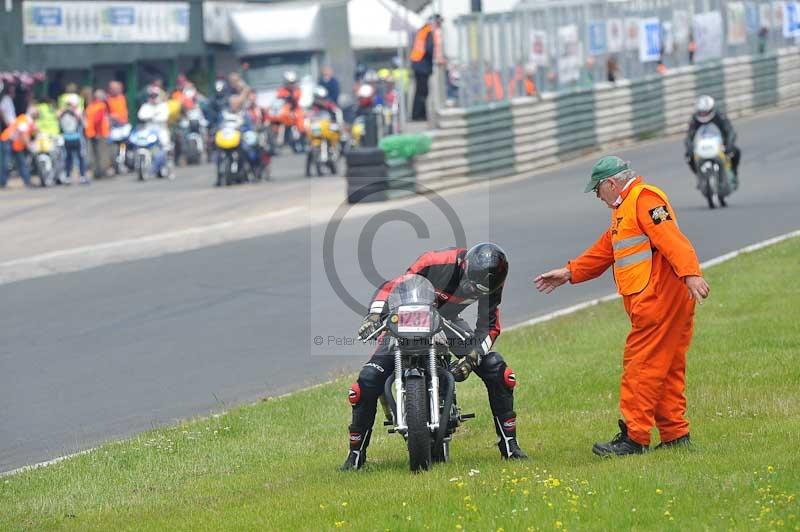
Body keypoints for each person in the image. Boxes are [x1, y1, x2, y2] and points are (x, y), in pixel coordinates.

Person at [534, 156, 710, 457]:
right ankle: (675, 435)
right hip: (658, 300)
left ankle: (634, 438)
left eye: (597, 191)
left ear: (611, 184)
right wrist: (570, 272)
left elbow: (670, 238)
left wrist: (691, 273)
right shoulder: (623, 211)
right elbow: (605, 250)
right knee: (664, 368)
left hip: (659, 300)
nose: (597, 197)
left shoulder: (643, 199)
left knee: (639, 368)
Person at [341, 243, 528, 471]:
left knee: (499, 371)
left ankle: (510, 447)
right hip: (409, 319)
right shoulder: (435, 261)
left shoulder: (493, 282)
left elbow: (490, 326)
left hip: (447, 324)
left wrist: (472, 358)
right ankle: (355, 457)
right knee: (367, 381)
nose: (471, 290)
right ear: (464, 266)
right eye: (469, 283)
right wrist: (374, 315)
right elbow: (395, 286)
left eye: (478, 290)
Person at [684, 95, 741, 189]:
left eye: (706, 112)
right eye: (701, 112)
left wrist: (729, 144)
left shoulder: (719, 116)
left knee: (736, 152)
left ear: (711, 109)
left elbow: (730, 131)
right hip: (701, 146)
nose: (703, 115)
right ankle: (699, 176)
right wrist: (690, 147)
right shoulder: (694, 119)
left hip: (721, 144)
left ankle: (734, 174)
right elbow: (689, 136)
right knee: (688, 157)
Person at [410, 14, 442, 121]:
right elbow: (429, 48)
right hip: (422, 65)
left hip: (418, 64)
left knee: (420, 91)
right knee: (422, 92)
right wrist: (437, 57)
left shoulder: (423, 30)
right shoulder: (429, 31)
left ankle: (418, 114)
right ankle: (419, 115)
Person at [0, 106, 36, 188]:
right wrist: (29, 146)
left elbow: (33, 132)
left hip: (16, 143)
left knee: (21, 162)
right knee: (5, 163)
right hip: (7, 140)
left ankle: (27, 181)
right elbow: (23, 135)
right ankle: (2, 183)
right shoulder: (24, 120)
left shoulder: (29, 121)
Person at [59, 95, 88, 185]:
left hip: (67, 138)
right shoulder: (77, 112)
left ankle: (68, 176)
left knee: (68, 158)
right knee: (80, 158)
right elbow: (85, 124)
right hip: (76, 138)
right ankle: (82, 176)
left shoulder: (62, 113)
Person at [85, 89, 111, 178]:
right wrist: (98, 133)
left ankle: (96, 171)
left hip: (91, 133)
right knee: (101, 152)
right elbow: (98, 121)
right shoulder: (101, 106)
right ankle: (102, 171)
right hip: (99, 133)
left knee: (94, 153)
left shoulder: (90, 106)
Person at [0, 79, 18, 189]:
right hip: (7, 132)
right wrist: (8, 125)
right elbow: (3, 112)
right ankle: (3, 181)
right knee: (5, 158)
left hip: (8, 131)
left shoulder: (6, 99)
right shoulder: (6, 99)